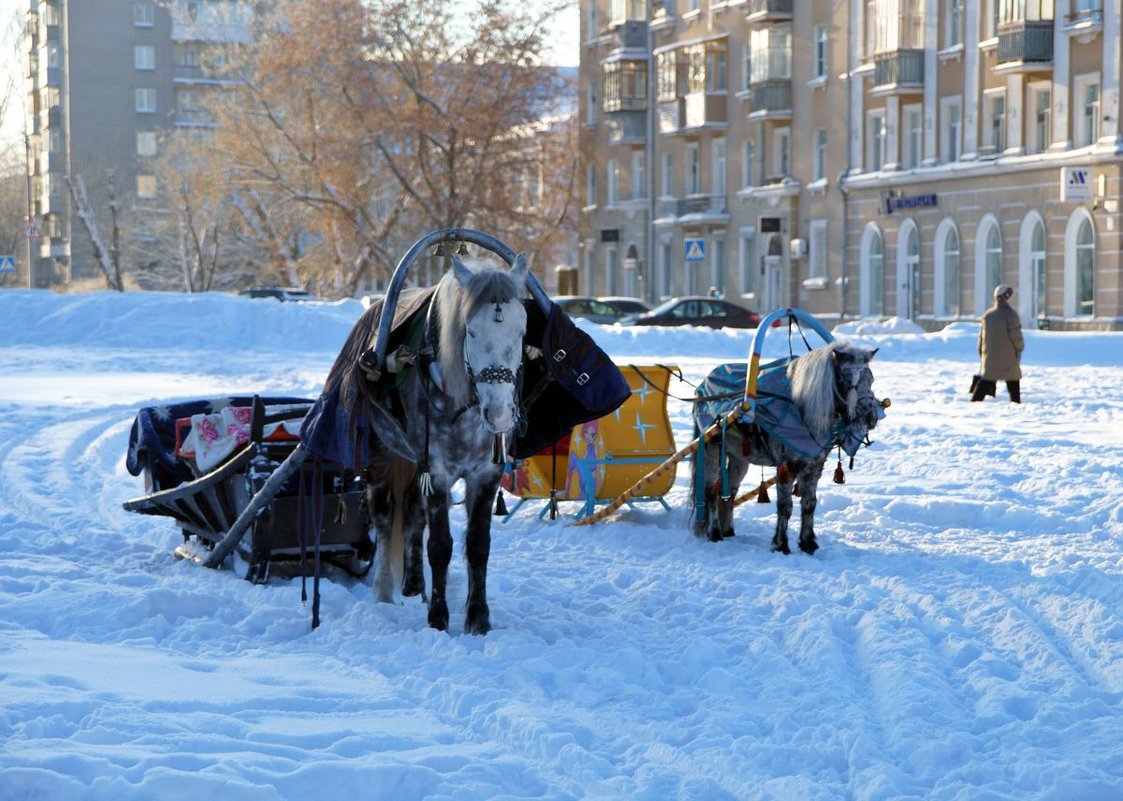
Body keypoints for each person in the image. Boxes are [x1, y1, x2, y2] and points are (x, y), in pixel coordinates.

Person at [971, 284, 1024, 403]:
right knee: (1013, 382)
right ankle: (1016, 406)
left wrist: (982, 353)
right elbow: (1016, 337)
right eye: (1010, 296)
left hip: (990, 357)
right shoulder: (1011, 315)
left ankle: (973, 404)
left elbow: (982, 338)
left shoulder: (988, 315)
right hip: (1009, 357)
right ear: (1005, 297)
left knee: (985, 381)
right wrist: (1020, 348)